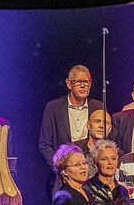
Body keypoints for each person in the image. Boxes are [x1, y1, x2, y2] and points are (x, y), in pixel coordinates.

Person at [39, 65, 104, 196]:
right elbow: (45, 144)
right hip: (63, 176)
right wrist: (60, 168)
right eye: (78, 82)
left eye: (86, 82)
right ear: (69, 84)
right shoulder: (54, 108)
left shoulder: (98, 107)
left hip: (91, 174)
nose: (83, 86)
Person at [73, 109, 117, 179]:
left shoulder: (116, 153)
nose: (101, 126)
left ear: (110, 129)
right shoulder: (73, 150)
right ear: (88, 125)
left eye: (106, 123)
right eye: (97, 121)